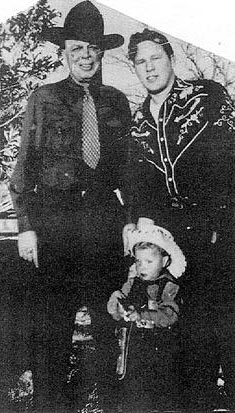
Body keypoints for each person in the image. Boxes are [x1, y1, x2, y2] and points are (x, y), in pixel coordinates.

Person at [125, 28, 235, 411]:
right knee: (190, 344)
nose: (149, 67)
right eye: (140, 62)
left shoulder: (205, 96)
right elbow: (140, 184)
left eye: (155, 58)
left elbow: (234, 159)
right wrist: (140, 222)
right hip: (175, 248)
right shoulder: (139, 120)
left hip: (220, 234)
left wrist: (208, 214)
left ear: (170, 59)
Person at [9, 1, 131, 412]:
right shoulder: (43, 98)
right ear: (64, 53)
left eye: (92, 49)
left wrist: (133, 222)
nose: (85, 56)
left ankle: (111, 403)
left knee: (109, 319)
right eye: (77, 48)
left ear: (101, 54)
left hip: (103, 222)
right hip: (54, 223)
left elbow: (128, 170)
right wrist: (26, 226)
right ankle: (50, 406)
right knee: (52, 328)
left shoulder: (116, 101)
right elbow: (24, 166)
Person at [107, 217, 186, 412]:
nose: (142, 267)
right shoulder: (132, 283)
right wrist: (116, 304)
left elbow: (169, 315)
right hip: (133, 351)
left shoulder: (169, 286)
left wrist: (142, 315)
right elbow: (118, 312)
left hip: (160, 352)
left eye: (149, 261)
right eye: (138, 261)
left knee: (161, 395)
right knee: (133, 394)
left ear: (165, 261)